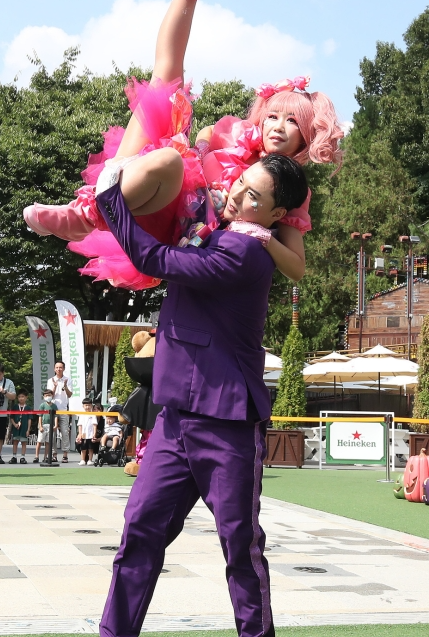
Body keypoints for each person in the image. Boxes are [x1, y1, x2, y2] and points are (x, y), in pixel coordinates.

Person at [24, 0, 343, 291]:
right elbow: (206, 134)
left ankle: (90, 212)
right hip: (157, 195)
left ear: (306, 136)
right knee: (165, 87)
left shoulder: (288, 188)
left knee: (171, 158)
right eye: (273, 116)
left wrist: (262, 237)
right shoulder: (237, 133)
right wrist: (200, 150)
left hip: (185, 237)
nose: (278, 127)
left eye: (292, 121)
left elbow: (296, 269)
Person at [95, 152, 308, 637]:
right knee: (139, 533)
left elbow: (154, 258)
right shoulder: (219, 229)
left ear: (277, 215)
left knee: (239, 545)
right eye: (240, 183)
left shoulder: (245, 252)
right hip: (174, 419)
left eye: (254, 196)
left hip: (228, 422)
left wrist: (111, 199)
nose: (237, 194)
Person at [46, 361, 73, 463]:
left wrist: (65, 386)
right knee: (52, 433)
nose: (58, 369)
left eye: (60, 367)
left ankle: (65, 454)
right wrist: (55, 386)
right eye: (57, 367)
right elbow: (48, 396)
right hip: (53, 410)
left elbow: (70, 394)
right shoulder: (50, 380)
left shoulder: (68, 380)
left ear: (63, 369)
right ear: (54, 369)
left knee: (65, 432)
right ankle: (54, 454)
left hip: (63, 410)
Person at [32, 387, 56, 464]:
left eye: (49, 395)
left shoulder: (54, 406)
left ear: (52, 395)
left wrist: (55, 425)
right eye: (46, 395)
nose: (48, 397)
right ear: (44, 397)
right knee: (39, 441)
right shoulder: (42, 405)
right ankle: (36, 456)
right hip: (43, 425)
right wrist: (40, 426)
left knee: (48, 442)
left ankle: (46, 457)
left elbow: (56, 416)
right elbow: (40, 416)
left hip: (51, 425)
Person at [9, 390, 33, 464]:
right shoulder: (15, 407)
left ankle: (22, 457)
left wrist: (28, 429)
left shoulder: (28, 408)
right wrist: (14, 424)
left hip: (24, 428)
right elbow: (11, 417)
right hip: (16, 427)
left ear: (26, 397)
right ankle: (14, 456)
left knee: (24, 442)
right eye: (19, 397)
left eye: (23, 397)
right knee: (15, 442)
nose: (21, 398)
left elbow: (29, 419)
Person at [77, 398, 98, 465]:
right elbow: (80, 425)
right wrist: (80, 434)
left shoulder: (93, 415)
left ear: (91, 406)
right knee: (83, 448)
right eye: (86, 405)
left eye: (89, 405)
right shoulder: (81, 415)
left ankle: (90, 460)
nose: (87, 407)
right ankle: (82, 460)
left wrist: (94, 434)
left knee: (90, 448)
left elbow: (95, 425)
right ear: (83, 406)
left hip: (91, 434)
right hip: (83, 435)